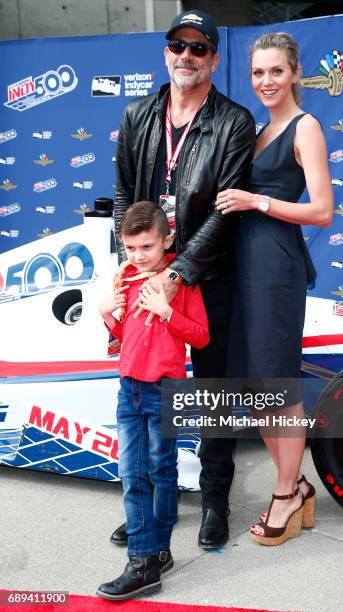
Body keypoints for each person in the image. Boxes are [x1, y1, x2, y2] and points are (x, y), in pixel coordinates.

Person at [111, 9, 256, 550]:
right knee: (153, 396)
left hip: (207, 276)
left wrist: (178, 275)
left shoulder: (234, 121)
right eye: (178, 46)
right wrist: (125, 274)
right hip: (147, 279)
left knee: (212, 393)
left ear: (214, 59)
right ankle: (152, 506)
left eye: (199, 48)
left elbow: (226, 211)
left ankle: (215, 500)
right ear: (166, 52)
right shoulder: (137, 115)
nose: (187, 57)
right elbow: (125, 196)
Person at [215, 32, 333, 545]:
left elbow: (323, 211)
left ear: (295, 73)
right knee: (253, 387)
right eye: (259, 73)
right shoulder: (262, 128)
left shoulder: (306, 127)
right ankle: (298, 485)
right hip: (243, 267)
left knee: (278, 385)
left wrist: (257, 201)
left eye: (276, 71)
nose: (266, 81)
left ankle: (286, 493)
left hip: (276, 270)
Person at [96, 201, 209, 600]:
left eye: (147, 246)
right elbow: (124, 337)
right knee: (132, 473)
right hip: (129, 386)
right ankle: (146, 556)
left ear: (167, 240)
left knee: (161, 469)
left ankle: (155, 551)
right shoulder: (124, 278)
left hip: (166, 389)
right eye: (131, 248)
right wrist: (107, 315)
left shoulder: (182, 282)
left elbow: (201, 336)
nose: (139, 256)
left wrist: (166, 312)